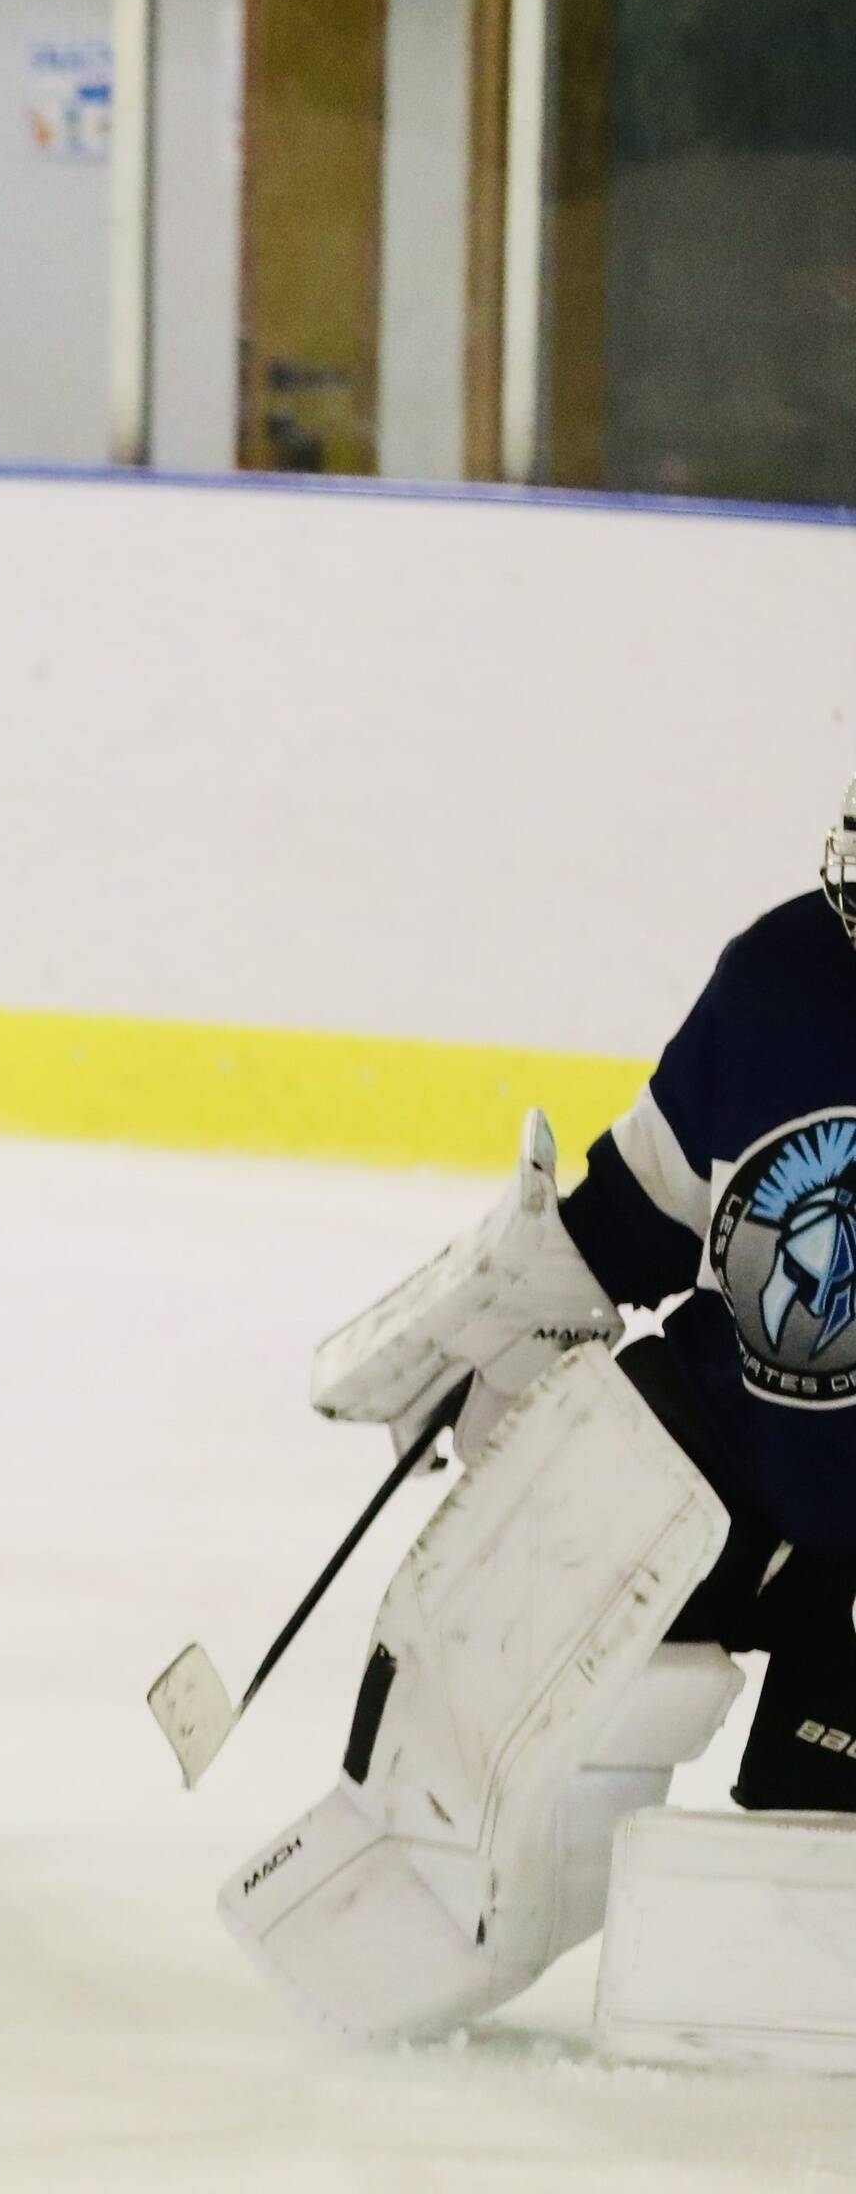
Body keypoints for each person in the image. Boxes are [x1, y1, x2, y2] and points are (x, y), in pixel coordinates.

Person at [227, 785, 856, 2044]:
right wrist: (515, 1298)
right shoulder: (779, 972)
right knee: (492, 1602)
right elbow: (641, 1212)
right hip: (722, 1441)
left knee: (806, 1860)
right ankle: (399, 1896)